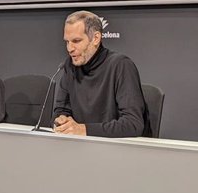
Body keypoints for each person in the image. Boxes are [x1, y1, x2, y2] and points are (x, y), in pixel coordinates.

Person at [53, 10, 149, 138]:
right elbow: (61, 111)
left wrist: (84, 130)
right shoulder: (69, 66)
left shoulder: (120, 66)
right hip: (78, 148)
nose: (70, 48)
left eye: (76, 41)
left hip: (117, 151)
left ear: (96, 38)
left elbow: (132, 124)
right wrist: (61, 122)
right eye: (67, 41)